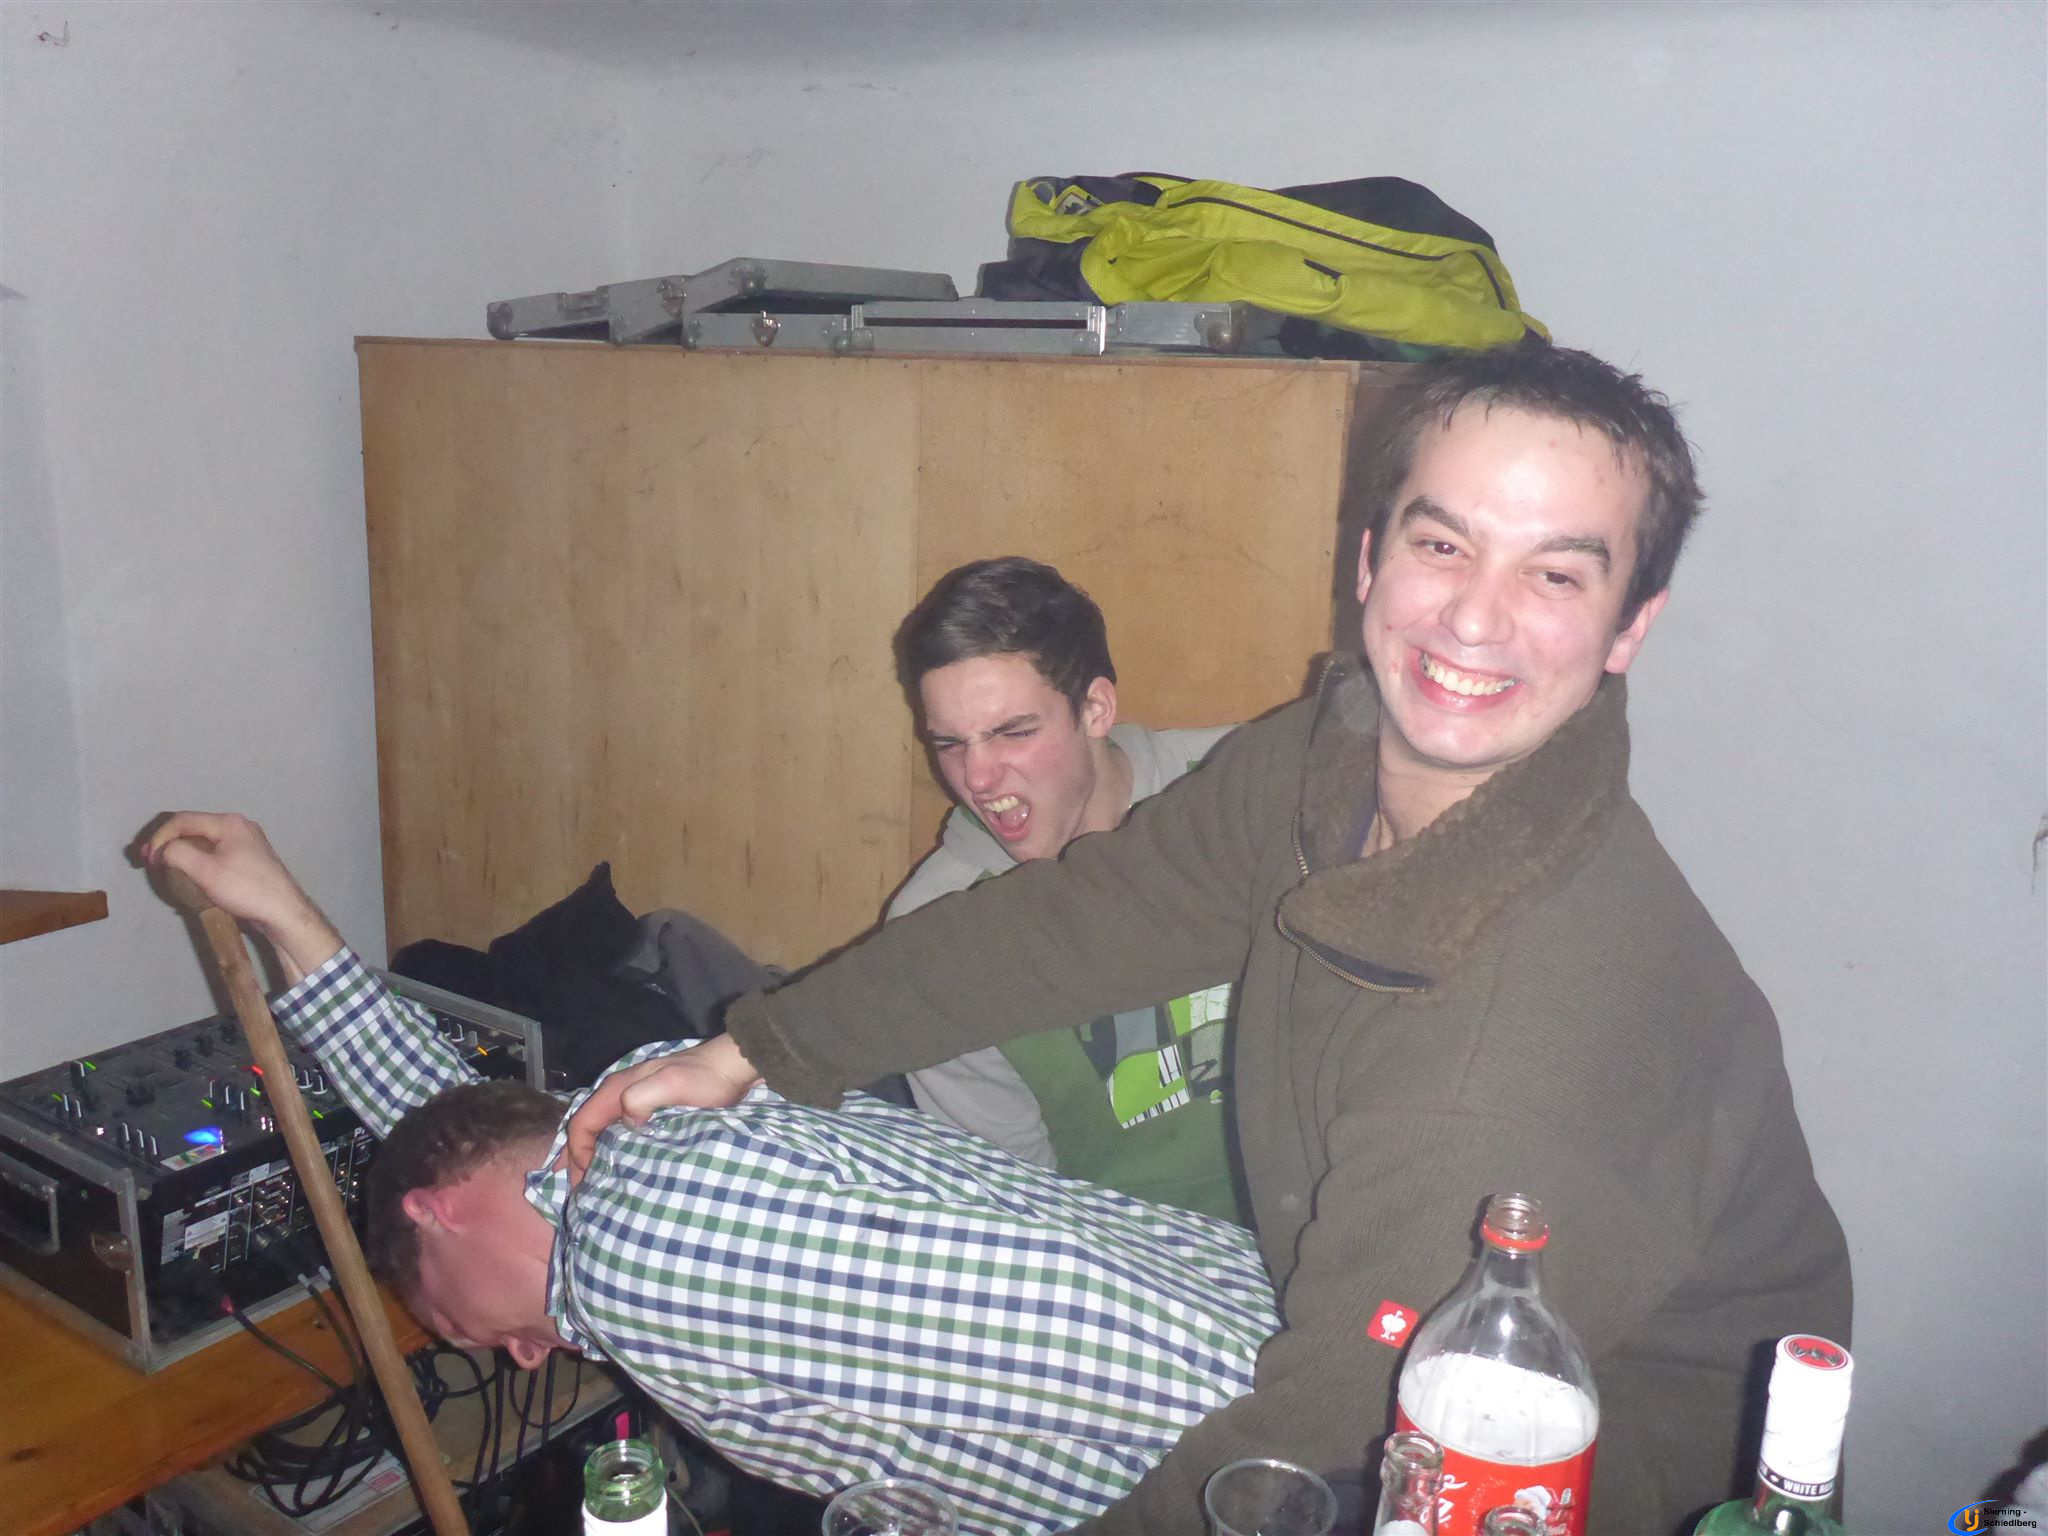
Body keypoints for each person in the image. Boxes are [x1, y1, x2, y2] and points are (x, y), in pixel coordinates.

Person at [567, 344, 1856, 1534]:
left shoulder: (1519, 1046)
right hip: (1352, 1339)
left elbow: (1330, 1435)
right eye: (1442, 544)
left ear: (1630, 627)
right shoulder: (1324, 757)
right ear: (1369, 560)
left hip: (1605, 1472)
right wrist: (755, 1048)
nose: (1473, 618)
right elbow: (1079, 917)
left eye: (1554, 574)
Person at [138, 812, 1280, 1536]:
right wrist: (286, 916)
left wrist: (1282, 1463)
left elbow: (1087, 1332)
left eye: (465, 1330)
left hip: (1265, 1465)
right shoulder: (640, 1131)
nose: (521, 1353)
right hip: (1278, 1324)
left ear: (438, 1216)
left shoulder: (635, 1254)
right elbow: (450, 1132)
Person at [889, 557, 1245, 1221]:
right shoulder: (937, 931)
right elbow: (1020, 1205)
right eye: (950, 744)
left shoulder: (1243, 788)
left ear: (1095, 709)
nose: (978, 779)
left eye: (1014, 733)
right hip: (1142, 1263)